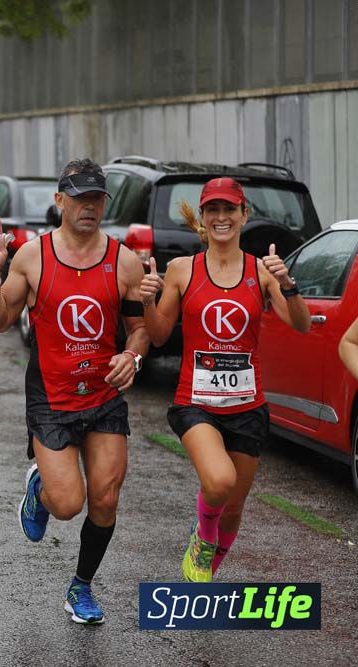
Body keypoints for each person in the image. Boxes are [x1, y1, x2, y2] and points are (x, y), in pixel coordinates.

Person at [0, 158, 149, 625]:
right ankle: (41, 487)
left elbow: (140, 330)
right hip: (52, 399)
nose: (88, 207)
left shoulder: (123, 260)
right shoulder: (33, 257)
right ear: (60, 201)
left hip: (103, 396)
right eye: (79, 198)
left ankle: (81, 587)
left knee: (107, 496)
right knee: (69, 504)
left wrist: (132, 356)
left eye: (96, 198)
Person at [140, 177, 311, 583]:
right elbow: (160, 334)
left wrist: (287, 284)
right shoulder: (183, 269)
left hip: (248, 408)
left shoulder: (260, 271)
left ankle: (204, 574)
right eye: (212, 210)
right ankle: (203, 538)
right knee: (219, 482)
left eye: (229, 209)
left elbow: (301, 324)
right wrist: (146, 299)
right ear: (203, 218)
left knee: (234, 506)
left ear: (243, 215)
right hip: (195, 402)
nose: (221, 218)